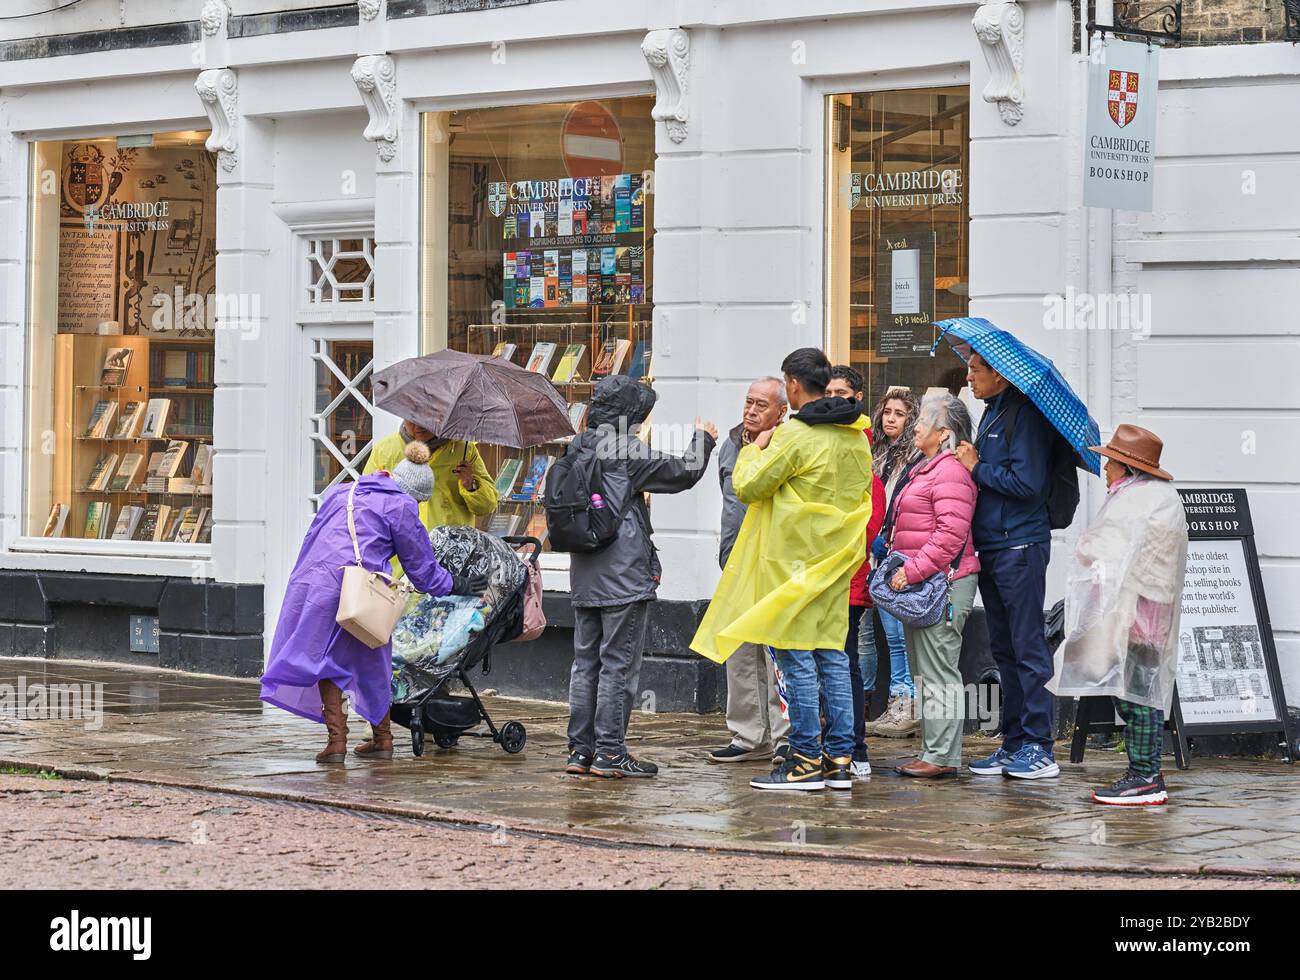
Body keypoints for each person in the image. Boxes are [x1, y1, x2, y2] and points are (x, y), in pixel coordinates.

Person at [691, 348, 873, 792]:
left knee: (796, 663)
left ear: (792, 385)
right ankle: (839, 759)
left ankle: (804, 759)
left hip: (791, 566)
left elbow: (749, 486)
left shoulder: (795, 435)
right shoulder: (855, 437)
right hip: (836, 563)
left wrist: (756, 449)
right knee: (833, 658)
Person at [261, 440, 486, 762]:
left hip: (315, 587)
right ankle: (382, 738)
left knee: (324, 661)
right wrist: (459, 583)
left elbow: (316, 537)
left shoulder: (343, 492)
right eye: (420, 501)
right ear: (414, 494)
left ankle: (336, 743)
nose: (418, 506)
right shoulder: (402, 506)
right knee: (373, 662)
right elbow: (422, 572)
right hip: (361, 593)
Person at [565, 375, 717, 779]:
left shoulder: (578, 445)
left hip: (585, 572)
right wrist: (702, 437)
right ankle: (611, 754)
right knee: (617, 665)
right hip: (623, 575)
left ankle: (580, 752)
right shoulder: (626, 449)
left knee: (585, 665)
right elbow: (683, 472)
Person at [1049, 425, 1187, 805]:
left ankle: (1145, 777)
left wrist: (1089, 547)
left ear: (1129, 467)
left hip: (1135, 613)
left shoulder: (1136, 501)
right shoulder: (1158, 497)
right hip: (1149, 612)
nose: (1106, 468)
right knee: (1138, 690)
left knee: (1135, 696)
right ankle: (1145, 773)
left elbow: (1109, 551)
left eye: (1112, 461)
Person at [955, 352, 1060, 780]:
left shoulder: (1026, 417)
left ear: (999, 374)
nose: (969, 377)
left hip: (1020, 544)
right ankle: (1013, 741)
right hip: (993, 545)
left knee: (1027, 646)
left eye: (976, 370)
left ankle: (1039, 745)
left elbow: (1027, 483)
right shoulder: (994, 414)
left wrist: (978, 467)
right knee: (1004, 648)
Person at [885, 394, 979, 778]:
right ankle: (932, 751)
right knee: (927, 670)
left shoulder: (950, 472)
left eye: (925, 419)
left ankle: (941, 757)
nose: (916, 424)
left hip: (942, 584)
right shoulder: (926, 467)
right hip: (925, 584)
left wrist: (913, 571)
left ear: (944, 433)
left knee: (939, 670)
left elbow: (950, 535)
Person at [708, 376, 792, 765]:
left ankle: (784, 736)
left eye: (762, 405)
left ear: (781, 411)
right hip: (736, 563)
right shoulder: (730, 444)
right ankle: (746, 735)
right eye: (749, 402)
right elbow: (728, 503)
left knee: (776, 654)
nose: (752, 410)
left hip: (775, 564)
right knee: (739, 652)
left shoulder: (788, 445)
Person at [826, 365, 886, 778]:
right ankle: (833, 743)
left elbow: (870, 520)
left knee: (844, 661)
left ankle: (854, 747)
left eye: (842, 391)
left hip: (847, 577)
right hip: (819, 576)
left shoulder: (861, 450)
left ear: (857, 397)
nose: (834, 397)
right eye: (828, 390)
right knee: (827, 662)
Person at [865, 388, 921, 737]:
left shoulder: (915, 459)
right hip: (876, 550)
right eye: (887, 412)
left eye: (899, 414)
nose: (890, 418)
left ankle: (907, 704)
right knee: (887, 634)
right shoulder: (876, 454)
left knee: (900, 636)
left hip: (899, 552)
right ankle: (894, 703)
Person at [365, 420, 499, 531]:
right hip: (400, 555)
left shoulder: (464, 449)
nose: (418, 426)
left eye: (426, 420)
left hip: (452, 552)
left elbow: (487, 506)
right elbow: (365, 501)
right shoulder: (385, 449)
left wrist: (471, 485)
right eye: (412, 419)